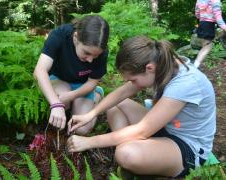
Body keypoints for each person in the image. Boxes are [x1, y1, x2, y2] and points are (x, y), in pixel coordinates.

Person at [67, 36, 216, 178]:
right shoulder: (162, 64)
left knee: (126, 154)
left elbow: (142, 130)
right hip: (168, 127)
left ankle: (138, 155)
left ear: (149, 68)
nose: (132, 84)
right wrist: (90, 114)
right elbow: (121, 94)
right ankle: (141, 153)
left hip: (187, 147)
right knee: (115, 105)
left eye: (133, 80)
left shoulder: (185, 84)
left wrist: (88, 142)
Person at [33, 15, 109, 135]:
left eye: (95, 56)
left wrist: (72, 95)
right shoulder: (59, 35)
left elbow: (92, 82)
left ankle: (96, 96)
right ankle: (68, 107)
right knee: (62, 102)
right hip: (59, 79)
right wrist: (56, 103)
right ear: (75, 38)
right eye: (86, 53)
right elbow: (40, 70)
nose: (90, 60)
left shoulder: (101, 50)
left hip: (83, 85)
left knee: (81, 129)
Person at [194, 0, 226, 68]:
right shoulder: (215, 1)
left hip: (201, 24)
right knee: (208, 46)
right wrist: (224, 27)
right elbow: (218, 18)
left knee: (205, 45)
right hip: (209, 25)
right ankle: (195, 66)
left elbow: (197, 14)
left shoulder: (199, 0)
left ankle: (196, 65)